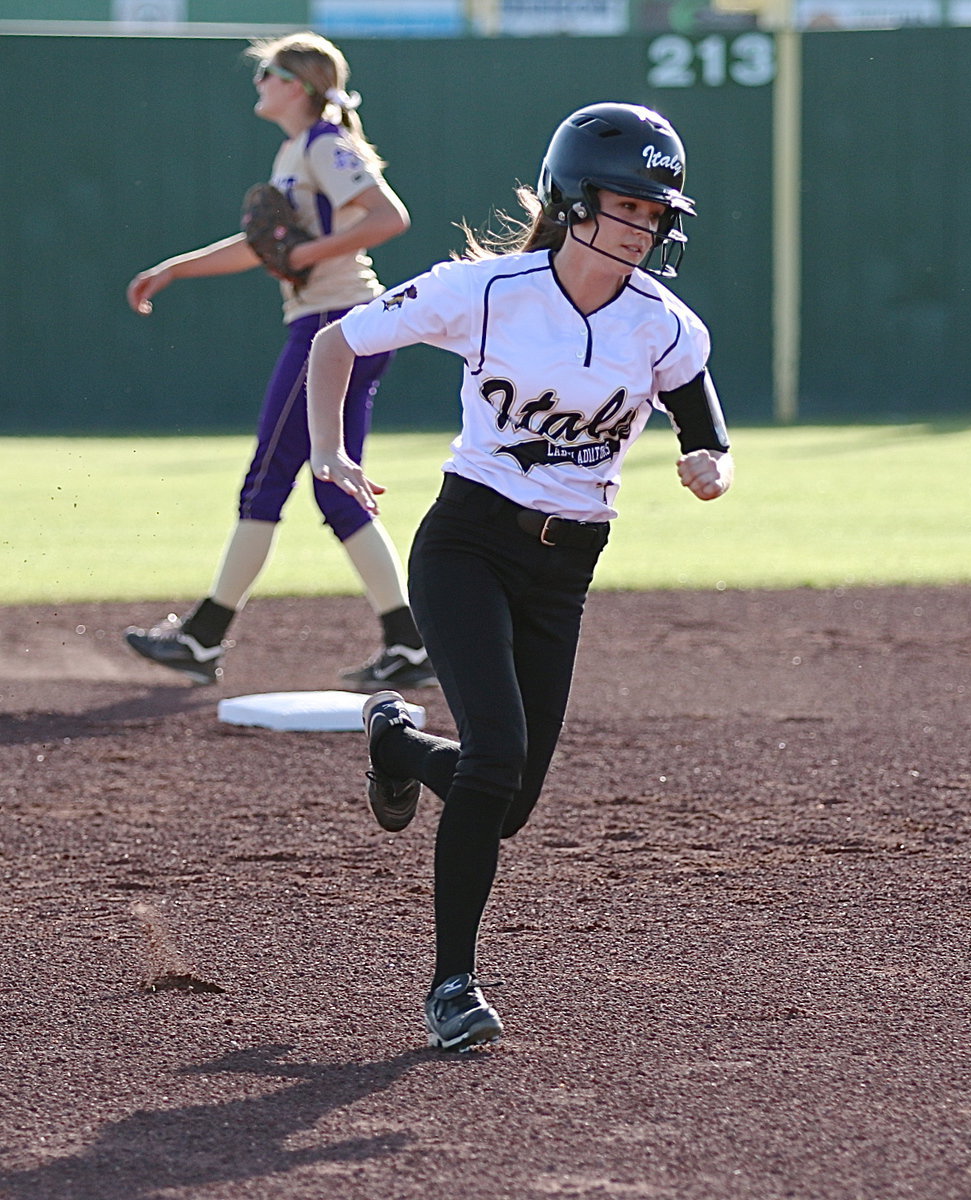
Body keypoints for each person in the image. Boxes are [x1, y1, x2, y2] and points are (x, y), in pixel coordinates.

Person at [307, 102, 734, 1051]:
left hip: (568, 564)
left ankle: (393, 743)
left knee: (505, 804)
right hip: (467, 542)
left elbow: (709, 436)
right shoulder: (487, 291)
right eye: (625, 204)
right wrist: (329, 451)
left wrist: (710, 468)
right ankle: (452, 987)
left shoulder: (663, 326)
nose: (644, 225)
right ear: (573, 200)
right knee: (494, 756)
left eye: (656, 211)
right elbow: (337, 342)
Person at [123, 32, 435, 691]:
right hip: (341, 325)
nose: (258, 81)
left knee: (268, 479)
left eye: (267, 71)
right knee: (337, 486)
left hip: (333, 325)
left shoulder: (324, 142)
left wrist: (305, 257)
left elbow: (388, 217)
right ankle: (409, 644)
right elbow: (267, 246)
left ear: (297, 83)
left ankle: (203, 637)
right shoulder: (299, 148)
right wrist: (176, 270)